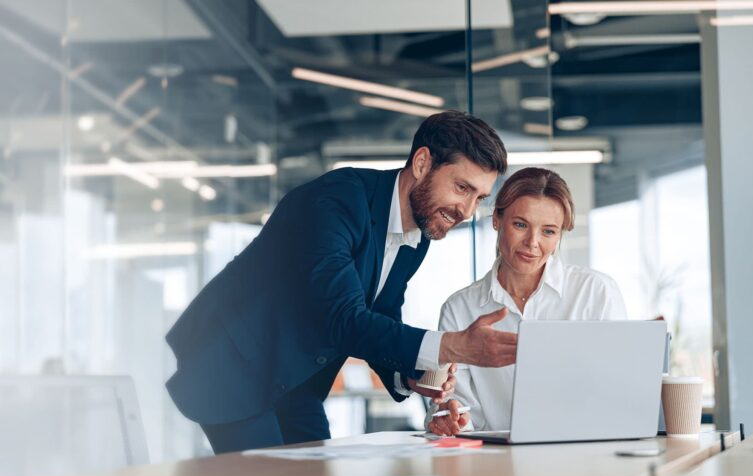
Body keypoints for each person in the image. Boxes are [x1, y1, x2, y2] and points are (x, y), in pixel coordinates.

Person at [165, 110, 520, 453]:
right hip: (234, 367)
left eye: (479, 198)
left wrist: (411, 375)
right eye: (462, 188)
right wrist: (450, 346)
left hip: (296, 381)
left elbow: (381, 311)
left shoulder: (419, 232)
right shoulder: (337, 200)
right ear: (422, 163)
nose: (467, 211)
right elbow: (342, 317)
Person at [427, 167, 627, 436]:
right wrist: (449, 416)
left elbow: (618, 390)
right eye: (520, 225)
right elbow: (454, 405)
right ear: (497, 219)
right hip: (495, 463)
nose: (532, 243)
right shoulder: (460, 309)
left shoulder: (596, 292)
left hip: (583, 454)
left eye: (548, 231)